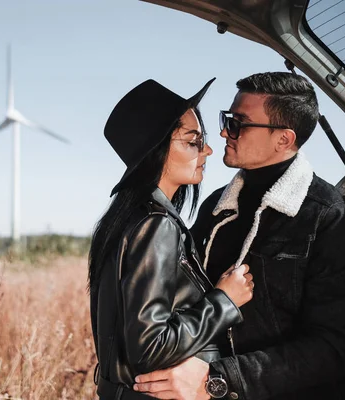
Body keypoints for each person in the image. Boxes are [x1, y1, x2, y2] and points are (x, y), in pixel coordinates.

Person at [132, 71, 345, 400]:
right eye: (226, 118)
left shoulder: (331, 218)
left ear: (283, 139)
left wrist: (216, 380)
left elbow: (333, 349)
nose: (223, 132)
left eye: (238, 123)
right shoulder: (216, 207)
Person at [89, 78, 255, 400]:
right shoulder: (156, 225)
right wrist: (224, 301)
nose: (206, 150)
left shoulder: (126, 218)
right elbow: (151, 346)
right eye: (193, 141)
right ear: (158, 149)